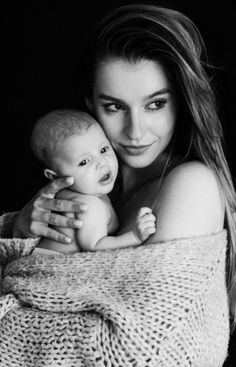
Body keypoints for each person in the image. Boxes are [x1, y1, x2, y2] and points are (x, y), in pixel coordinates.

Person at [11, 2, 236, 331]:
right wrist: (20, 233)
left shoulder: (190, 185)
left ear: (183, 101)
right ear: (91, 101)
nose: (135, 131)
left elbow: (145, 341)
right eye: (115, 106)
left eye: (156, 104)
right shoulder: (88, 184)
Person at [30, 109, 156, 253]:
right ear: (55, 177)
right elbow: (94, 245)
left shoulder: (77, 193)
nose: (101, 163)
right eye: (84, 162)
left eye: (103, 150)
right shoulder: (89, 204)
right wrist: (134, 236)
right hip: (49, 265)